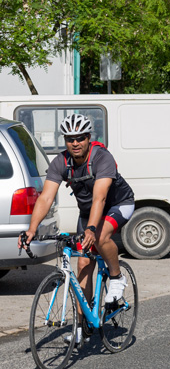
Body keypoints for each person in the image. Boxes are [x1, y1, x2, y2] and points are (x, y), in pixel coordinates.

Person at [20, 114, 136, 345]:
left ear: (88, 138)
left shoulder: (102, 158)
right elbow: (45, 198)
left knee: (101, 237)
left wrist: (92, 229)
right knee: (83, 263)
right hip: (88, 212)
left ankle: (117, 277)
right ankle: (82, 327)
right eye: (70, 138)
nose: (75, 143)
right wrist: (31, 229)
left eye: (80, 138)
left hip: (118, 204)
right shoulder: (60, 163)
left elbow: (100, 198)